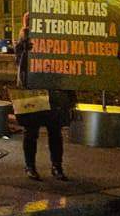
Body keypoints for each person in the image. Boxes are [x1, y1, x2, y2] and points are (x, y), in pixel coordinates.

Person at [14, 10, 75, 181]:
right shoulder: (25, 36)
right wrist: (24, 47)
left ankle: (56, 166)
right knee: (31, 131)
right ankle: (31, 166)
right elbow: (18, 61)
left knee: (54, 131)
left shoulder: (57, 37)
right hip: (33, 87)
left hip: (52, 87)